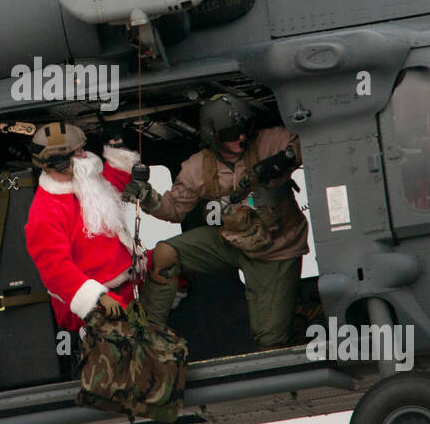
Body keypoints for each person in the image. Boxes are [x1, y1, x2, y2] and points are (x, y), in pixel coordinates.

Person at [127, 94, 308, 350]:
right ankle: (146, 335)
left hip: (277, 247)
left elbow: (312, 140)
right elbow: (174, 209)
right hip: (230, 241)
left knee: (270, 340)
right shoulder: (199, 166)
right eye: (231, 134)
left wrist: (285, 158)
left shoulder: (273, 140)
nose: (241, 138)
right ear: (214, 136)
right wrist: (148, 198)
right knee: (166, 253)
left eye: (244, 131)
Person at [23, 122, 144, 337]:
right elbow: (55, 270)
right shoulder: (45, 211)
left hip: (128, 278)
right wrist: (98, 297)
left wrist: (117, 147)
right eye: (78, 152)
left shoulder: (84, 180)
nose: (85, 154)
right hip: (97, 299)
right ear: (61, 163)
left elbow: (113, 184)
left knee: (171, 256)